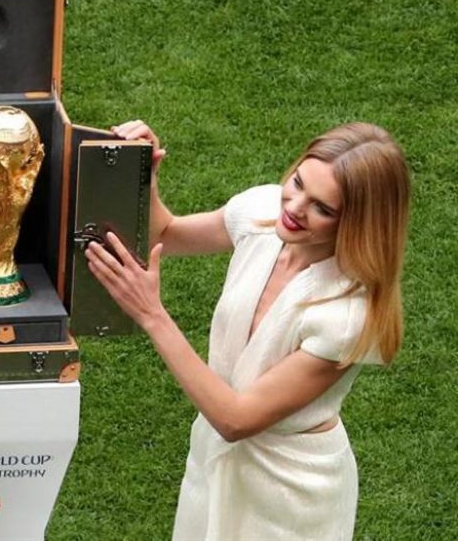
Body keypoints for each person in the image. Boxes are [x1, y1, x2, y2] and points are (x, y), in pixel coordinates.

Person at [85, 121, 410, 540]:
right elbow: (166, 234)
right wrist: (142, 176)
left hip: (290, 492)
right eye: (298, 182)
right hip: (213, 459)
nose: (294, 207)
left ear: (359, 224)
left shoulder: (346, 315)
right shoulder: (262, 212)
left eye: (323, 208)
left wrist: (151, 314)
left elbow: (236, 419)